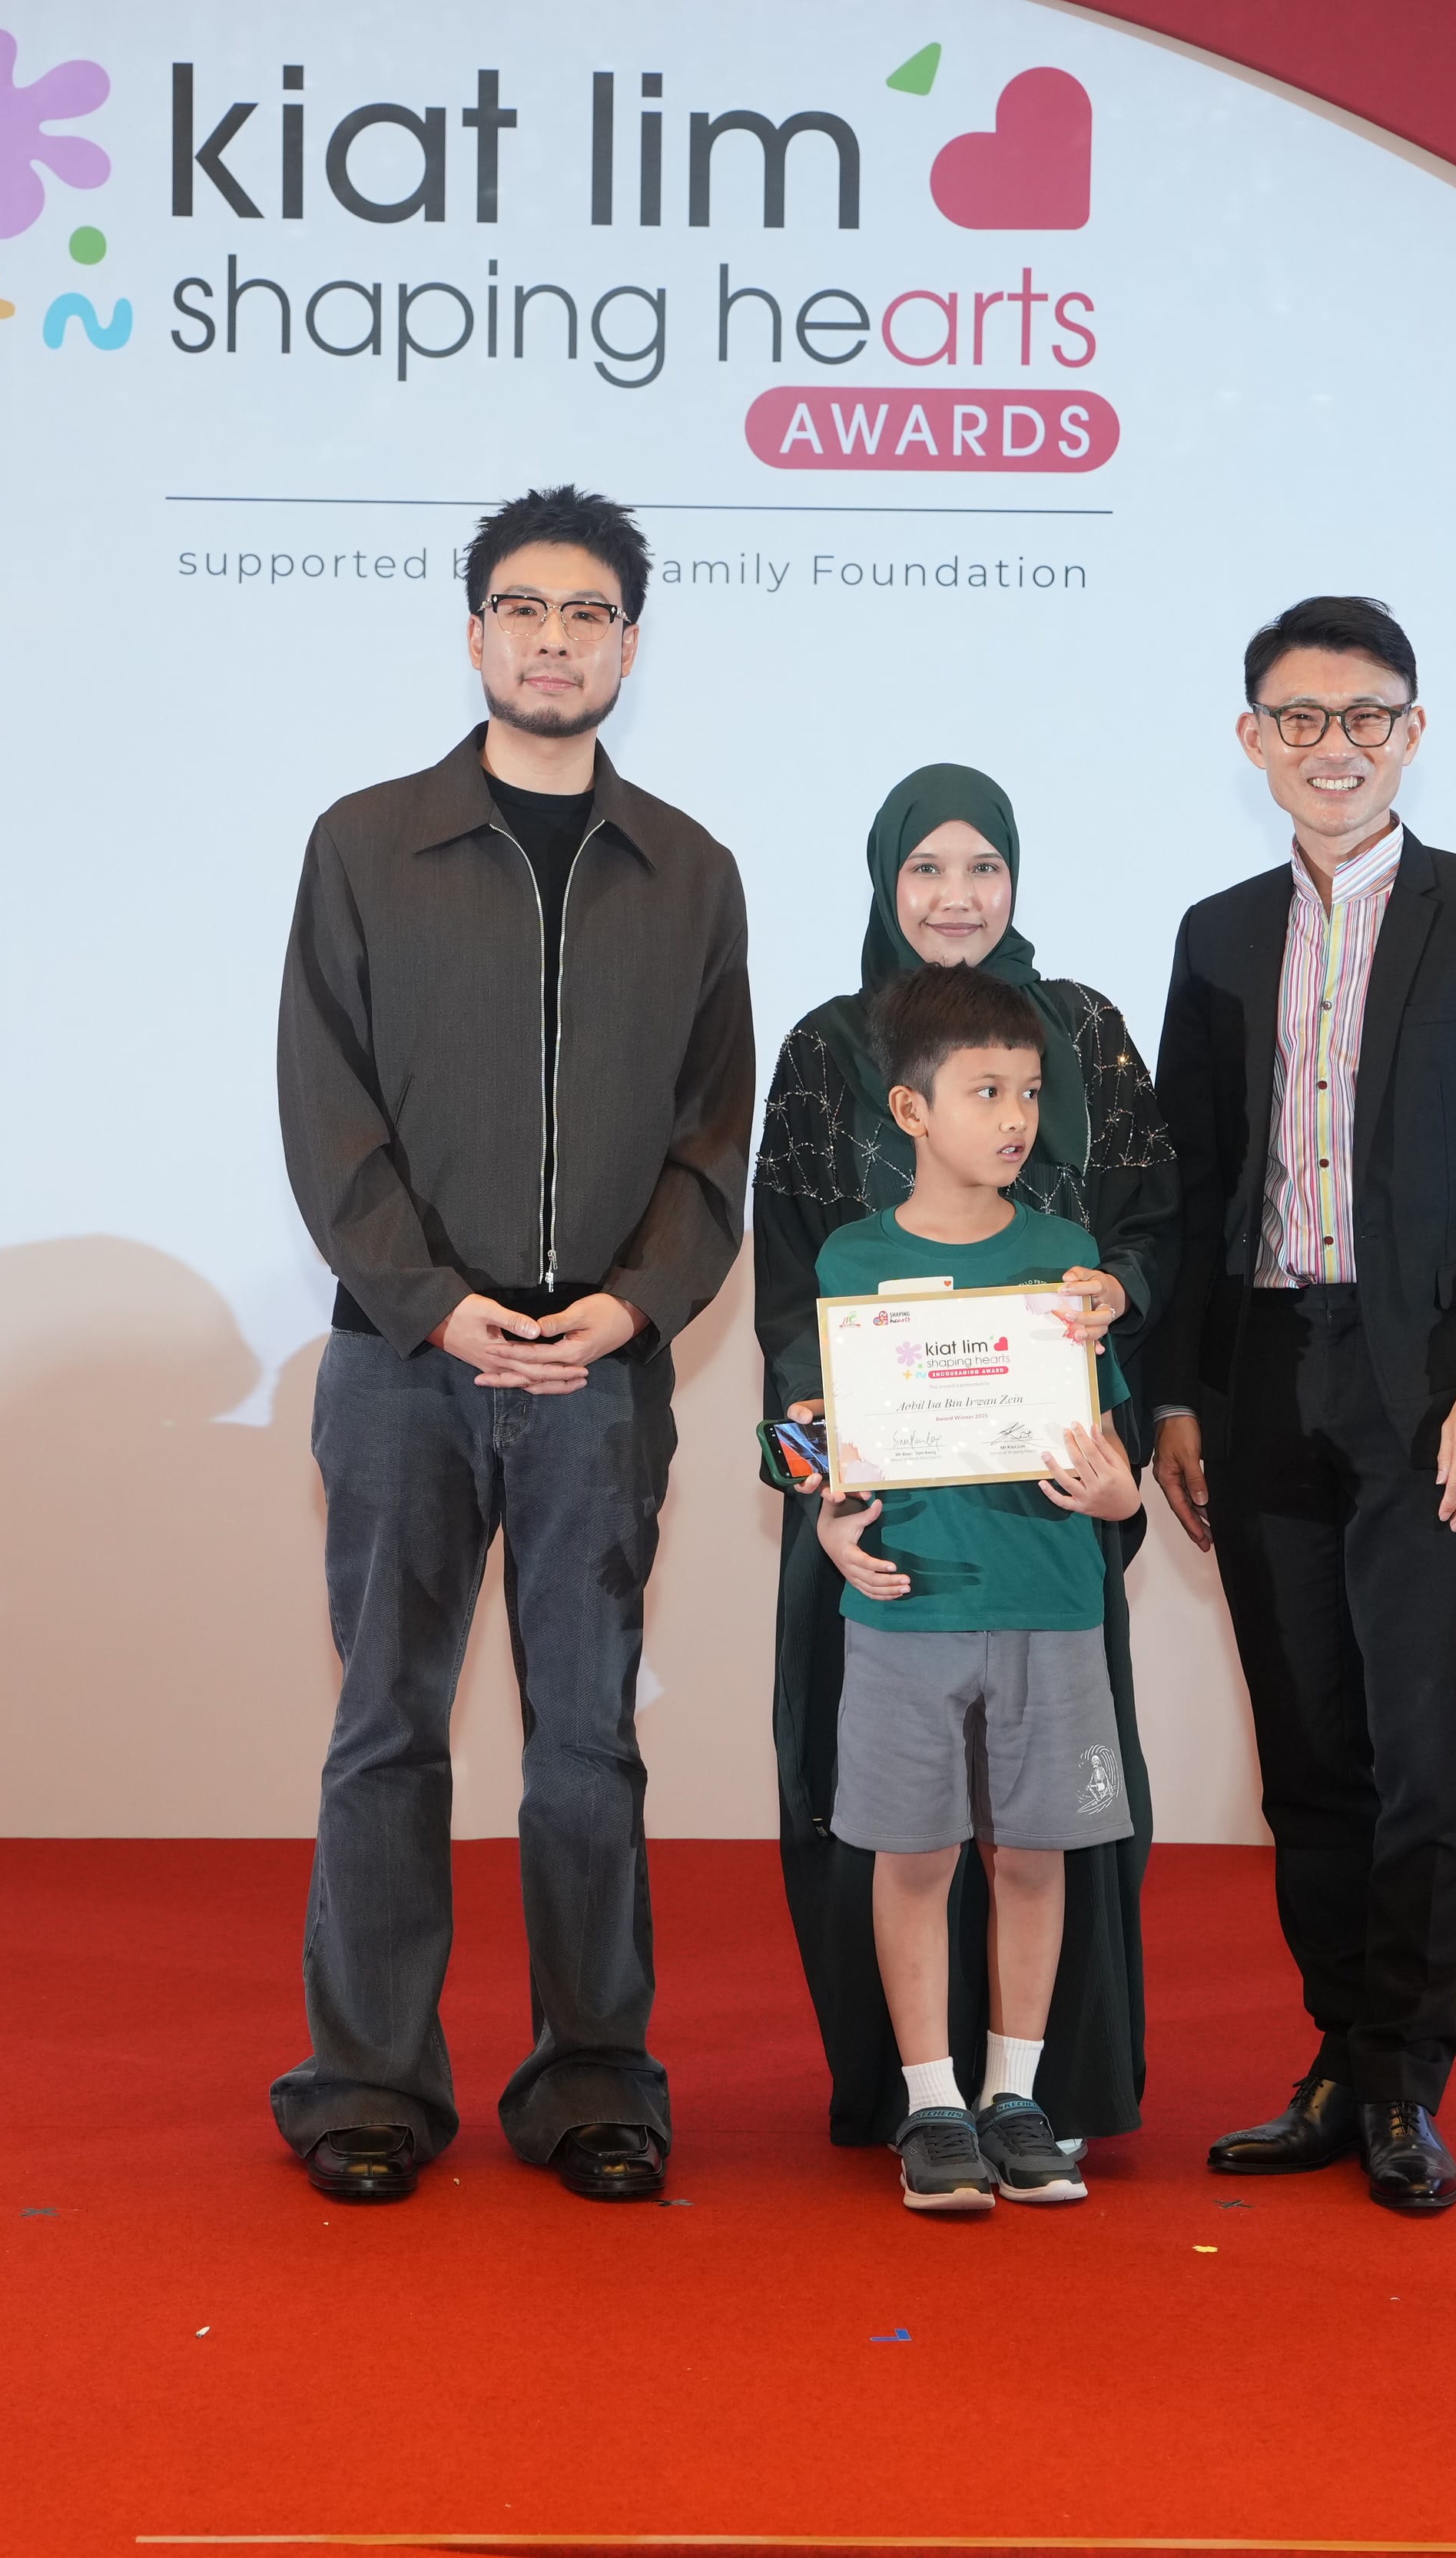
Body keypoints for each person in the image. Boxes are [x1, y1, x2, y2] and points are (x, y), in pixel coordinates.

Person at [269, 484, 755, 2207]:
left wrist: (631, 1307)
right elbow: (327, 1116)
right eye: (525, 610)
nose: (558, 642)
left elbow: (716, 1137)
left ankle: (592, 2081)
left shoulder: (690, 872)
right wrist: (430, 1300)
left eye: (591, 614)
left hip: (601, 1378)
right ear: (474, 631)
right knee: (388, 1728)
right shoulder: (365, 843)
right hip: (407, 1365)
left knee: (586, 1745)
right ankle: (368, 2085)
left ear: (633, 640)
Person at [1147, 594, 1456, 2218]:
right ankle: (1339, 2058)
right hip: (1263, 1376)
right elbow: (1194, 1192)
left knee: (1421, 1753)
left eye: (1366, 717)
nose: (1332, 746)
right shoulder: (1212, 933)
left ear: (1413, 732)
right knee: (1310, 1755)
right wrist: (1181, 1400)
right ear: (1251, 737)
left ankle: (1408, 2078)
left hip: (1430, 1395)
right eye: (1300, 718)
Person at [751, 765, 1176, 2152]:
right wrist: (824, 1484)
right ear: (884, 882)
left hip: (1045, 1525)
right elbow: (792, 1301)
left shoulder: (1090, 1031)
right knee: (893, 1822)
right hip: (890, 1529)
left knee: (1051, 1827)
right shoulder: (826, 1045)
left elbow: (1159, 1222)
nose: (955, 897)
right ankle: (911, 2099)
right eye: (925, 869)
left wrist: (1119, 1292)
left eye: (982, 867)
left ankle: (1042, 2093)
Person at [803, 964, 1145, 2212]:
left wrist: (1118, 1500)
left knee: (1037, 1858)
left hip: (1054, 1606)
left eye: (1029, 1092)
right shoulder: (850, 1258)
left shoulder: (1066, 1260)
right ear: (910, 1111)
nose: (1013, 1117)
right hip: (907, 1608)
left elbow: (1108, 1454)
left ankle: (1018, 2097)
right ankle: (930, 2104)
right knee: (916, 1856)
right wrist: (830, 1523)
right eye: (985, 1090)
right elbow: (823, 1445)